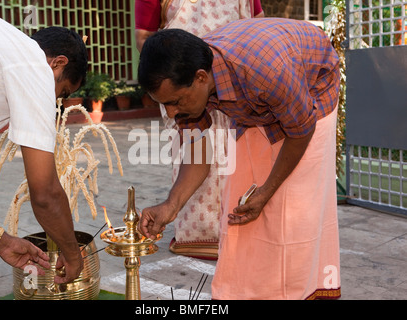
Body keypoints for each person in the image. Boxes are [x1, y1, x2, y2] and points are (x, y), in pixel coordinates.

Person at [138, 18, 341, 299]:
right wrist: (171, 206)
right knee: (241, 206)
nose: (171, 113)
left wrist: (268, 190)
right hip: (257, 98)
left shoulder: (268, 71)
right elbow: (198, 152)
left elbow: (301, 130)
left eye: (175, 102)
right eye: (164, 104)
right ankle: (242, 292)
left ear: (200, 78)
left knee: (293, 208)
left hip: (312, 89)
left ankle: (298, 291)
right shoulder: (194, 84)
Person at [0, 1, 88, 284]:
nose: (55, 102)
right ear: (58, 64)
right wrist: (73, 254)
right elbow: (45, 193)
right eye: (62, 91)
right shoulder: (32, 63)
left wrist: (0, 241)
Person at [135, 0, 264, 260]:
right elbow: (145, 36)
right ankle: (198, 235)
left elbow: (257, 22)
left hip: (232, 76)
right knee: (195, 149)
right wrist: (170, 82)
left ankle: (242, 230)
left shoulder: (266, 80)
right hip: (179, 80)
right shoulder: (179, 101)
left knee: (239, 156)